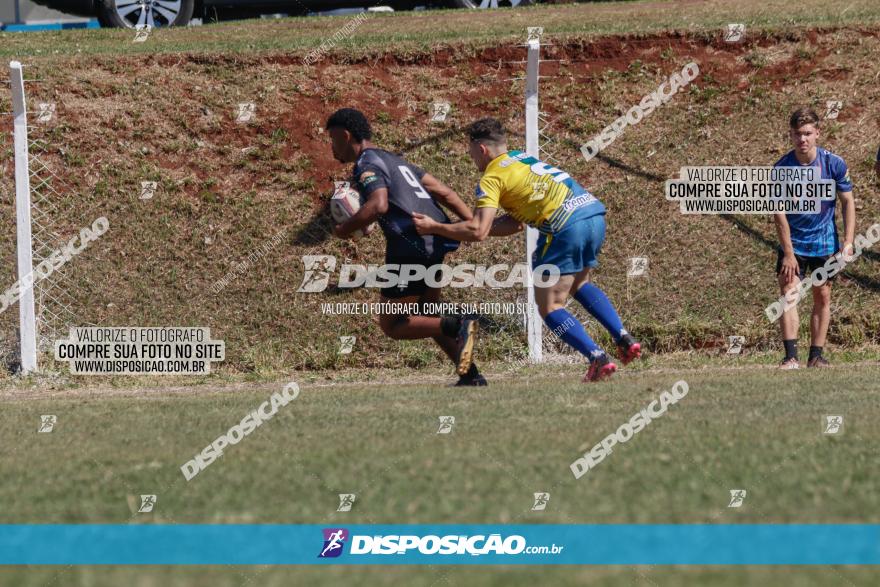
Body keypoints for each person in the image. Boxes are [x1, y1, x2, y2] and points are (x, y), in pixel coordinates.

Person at [413, 117, 640, 382]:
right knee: (579, 284)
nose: (471, 157)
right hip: (592, 215)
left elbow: (479, 230)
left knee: (551, 307)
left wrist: (436, 227)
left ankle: (597, 358)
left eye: (470, 151)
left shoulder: (492, 177)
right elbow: (513, 224)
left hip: (564, 228)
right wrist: (466, 228)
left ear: (481, 149)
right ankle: (623, 337)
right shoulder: (522, 159)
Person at [325, 108, 485, 386]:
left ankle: (459, 324)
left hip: (410, 245)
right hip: (435, 241)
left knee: (393, 324)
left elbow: (379, 204)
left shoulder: (366, 163)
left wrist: (344, 228)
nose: (331, 146)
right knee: (428, 314)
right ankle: (470, 375)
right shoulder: (396, 161)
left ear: (345, 135)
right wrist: (472, 224)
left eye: (332, 139)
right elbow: (443, 192)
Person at [773, 107, 856, 369]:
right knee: (789, 293)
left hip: (824, 242)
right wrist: (787, 253)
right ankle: (790, 357)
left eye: (808, 133)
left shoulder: (834, 164)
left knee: (823, 296)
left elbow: (848, 203)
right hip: (794, 243)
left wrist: (848, 241)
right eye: (798, 134)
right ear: (791, 135)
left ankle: (816, 356)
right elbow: (779, 212)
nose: (803, 139)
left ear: (817, 133)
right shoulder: (782, 168)